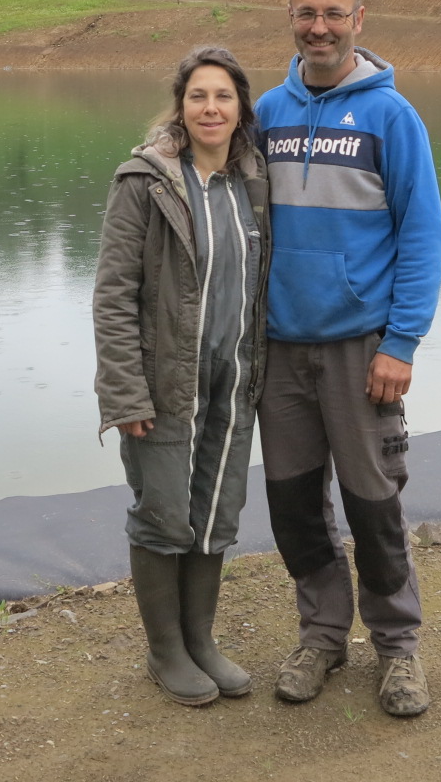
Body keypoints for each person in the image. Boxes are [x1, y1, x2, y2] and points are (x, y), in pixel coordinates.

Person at [254, 0, 441, 718]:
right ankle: (323, 635)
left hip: (361, 350)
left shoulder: (391, 116)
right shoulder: (267, 112)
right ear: (290, 17)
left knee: (373, 505)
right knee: (294, 505)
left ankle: (398, 648)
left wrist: (401, 343)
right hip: (279, 349)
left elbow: (423, 236)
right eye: (307, 13)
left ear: (359, 20)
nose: (320, 28)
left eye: (334, 13)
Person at [92, 45, 270, 706]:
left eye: (224, 96)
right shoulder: (144, 182)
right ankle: (164, 650)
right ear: (181, 105)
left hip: (232, 382)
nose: (211, 108)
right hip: (163, 385)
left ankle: (201, 641)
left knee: (215, 510)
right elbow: (113, 296)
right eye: (199, 96)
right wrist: (123, 393)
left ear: (240, 108)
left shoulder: (254, 182)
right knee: (163, 513)